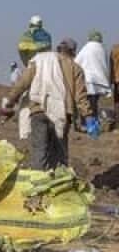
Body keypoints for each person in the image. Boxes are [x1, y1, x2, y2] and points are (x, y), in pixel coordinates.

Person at [11, 38, 92, 170]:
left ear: (58, 49)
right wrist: (88, 115)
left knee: (39, 151)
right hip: (62, 114)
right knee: (59, 154)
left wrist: (11, 100)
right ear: (73, 52)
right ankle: (58, 183)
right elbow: (81, 96)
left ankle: (39, 184)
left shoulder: (40, 61)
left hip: (39, 110)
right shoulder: (76, 68)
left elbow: (23, 82)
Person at [76, 31, 112, 120]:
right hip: (100, 80)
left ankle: (87, 122)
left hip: (88, 79)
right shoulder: (103, 48)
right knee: (94, 102)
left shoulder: (87, 47)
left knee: (86, 102)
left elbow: (77, 62)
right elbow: (105, 64)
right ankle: (94, 120)